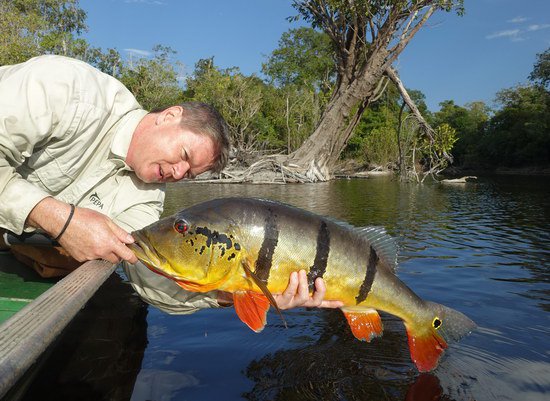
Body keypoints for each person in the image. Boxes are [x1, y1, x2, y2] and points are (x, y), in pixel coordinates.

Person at [0, 54, 342, 313]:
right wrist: (58, 218)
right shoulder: (70, 89)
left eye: (189, 174)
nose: (179, 174)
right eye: (184, 155)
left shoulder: (147, 201)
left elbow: (150, 278)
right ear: (169, 116)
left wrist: (237, 291)